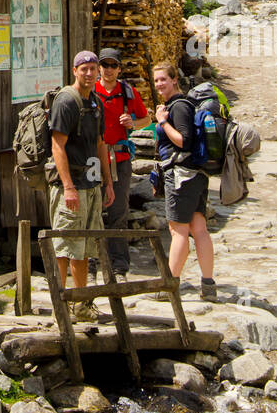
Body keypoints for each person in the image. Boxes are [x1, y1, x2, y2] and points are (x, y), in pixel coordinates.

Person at [48, 51, 114, 321]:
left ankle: (82, 304)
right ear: (74, 71)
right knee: (63, 244)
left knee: (85, 246)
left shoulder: (96, 103)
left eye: (93, 68)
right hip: (70, 185)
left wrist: (107, 183)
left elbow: (100, 144)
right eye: (84, 68)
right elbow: (57, 145)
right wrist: (69, 187)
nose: (89, 73)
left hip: (91, 183)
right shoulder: (66, 102)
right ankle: (60, 304)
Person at [152, 63, 217, 301]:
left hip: (181, 175)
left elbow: (183, 140)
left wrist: (162, 122)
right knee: (198, 228)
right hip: (196, 175)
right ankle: (208, 285)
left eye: (163, 80)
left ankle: (168, 285)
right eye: (156, 80)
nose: (159, 84)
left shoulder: (178, 107)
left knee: (178, 230)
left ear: (174, 80)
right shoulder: (181, 105)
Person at [91, 47, 151, 279]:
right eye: (104, 65)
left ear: (119, 68)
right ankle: (94, 261)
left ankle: (119, 265)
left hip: (120, 158)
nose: (108, 70)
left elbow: (147, 118)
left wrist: (132, 124)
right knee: (93, 209)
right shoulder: (89, 90)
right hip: (93, 160)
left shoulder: (127, 92)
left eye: (112, 65)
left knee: (118, 211)